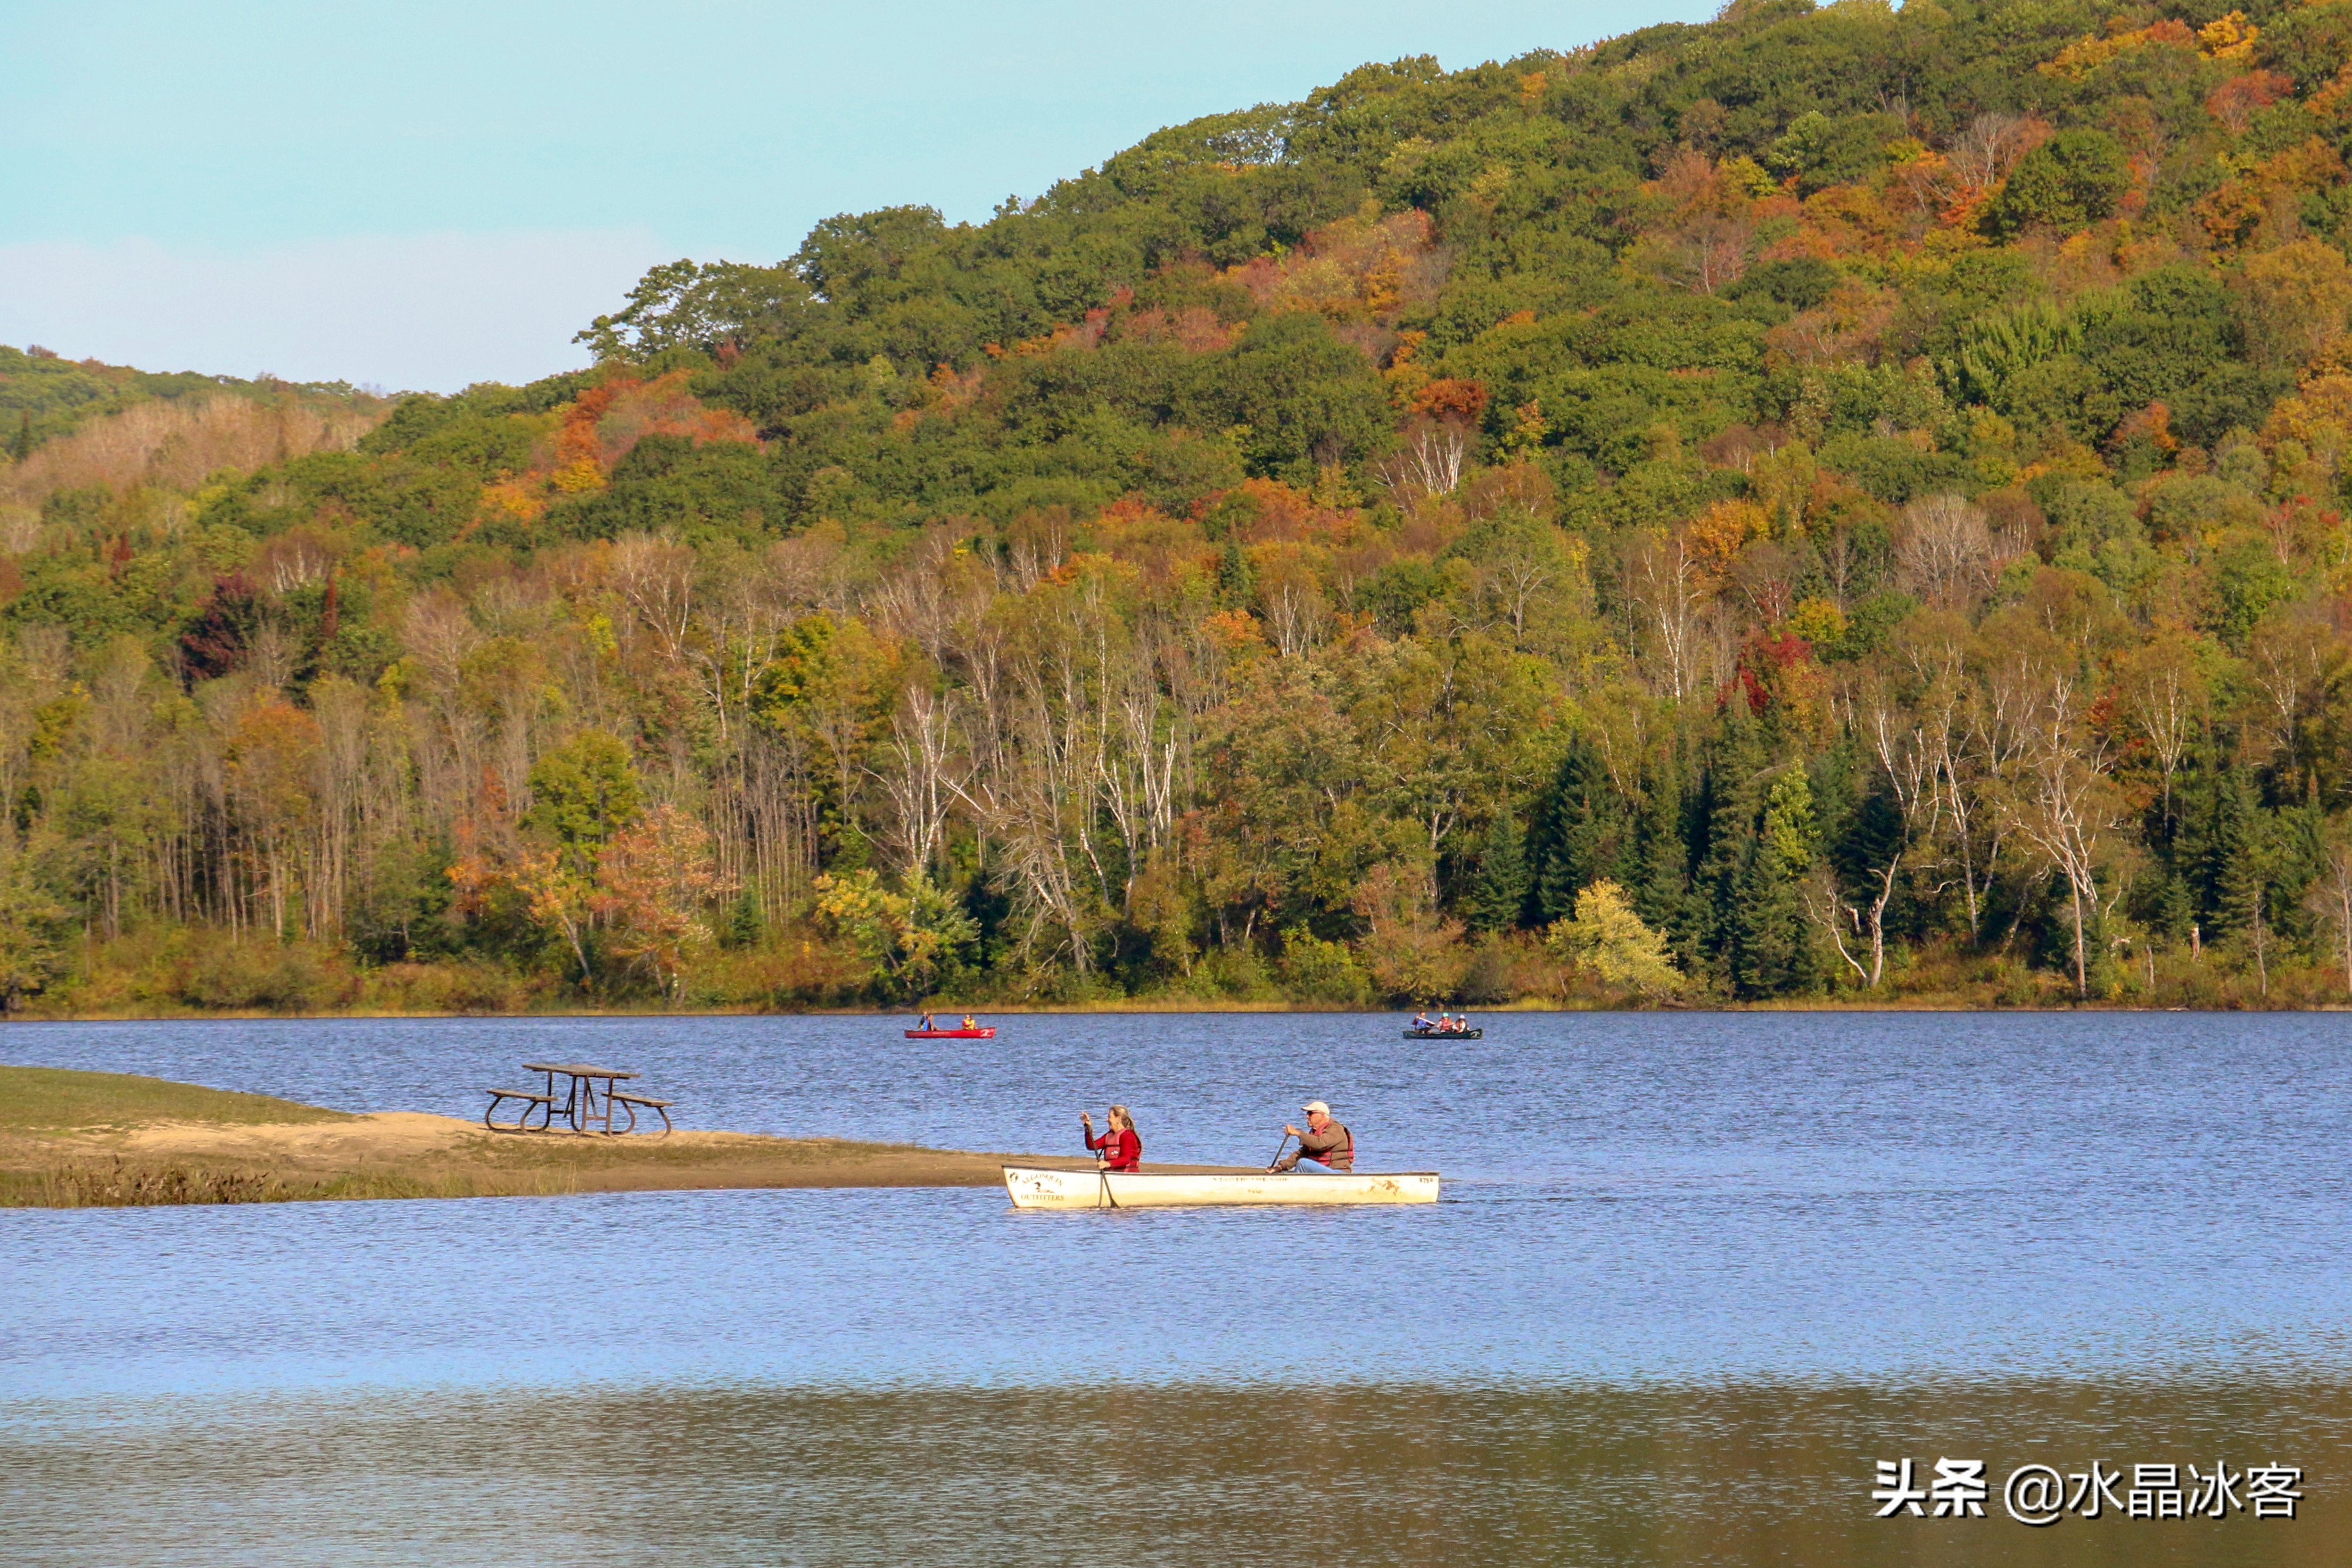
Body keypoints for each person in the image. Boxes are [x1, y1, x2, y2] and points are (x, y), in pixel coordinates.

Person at [1270, 1100, 1354, 1173]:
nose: (1307, 1116)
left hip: (1337, 1172)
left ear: (1322, 1115)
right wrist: (1280, 1167)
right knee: (1302, 1161)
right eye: (1307, 1114)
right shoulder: (1314, 1132)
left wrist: (1298, 1133)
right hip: (1323, 1171)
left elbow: (1321, 1144)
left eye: (1311, 1113)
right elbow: (1302, 1154)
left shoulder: (1336, 1129)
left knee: (1303, 1164)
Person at [1082, 1105, 1141, 1171]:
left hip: (1127, 1175)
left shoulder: (1128, 1136)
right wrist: (1088, 1128)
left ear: (1118, 1119)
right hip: (1113, 1173)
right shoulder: (1109, 1135)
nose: (1107, 1120)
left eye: (1109, 1117)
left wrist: (1108, 1164)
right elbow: (1092, 1146)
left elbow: (1126, 1159)